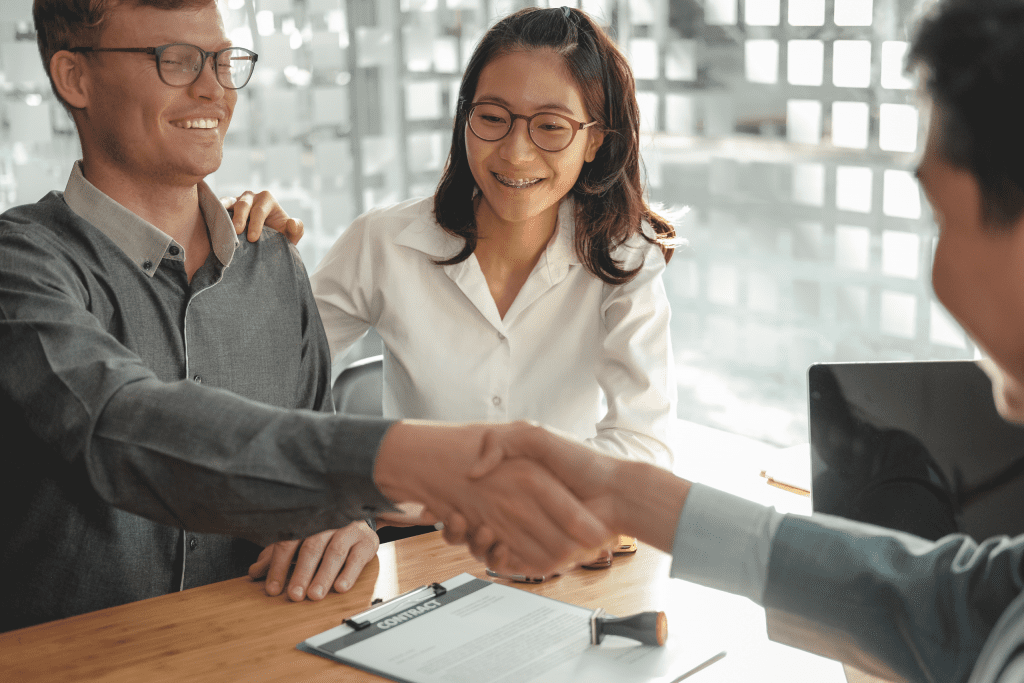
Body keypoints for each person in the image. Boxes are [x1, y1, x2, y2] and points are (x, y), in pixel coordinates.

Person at [445, 1, 1024, 681]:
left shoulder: (624, 260)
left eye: (940, 215)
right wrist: (623, 495)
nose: (937, 272)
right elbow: (952, 600)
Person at [0, 0, 612, 633]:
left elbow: (317, 487)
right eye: (174, 61)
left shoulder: (273, 268)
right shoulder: (19, 266)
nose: (214, 88)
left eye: (222, 59)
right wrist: (402, 464)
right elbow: (119, 425)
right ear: (76, 78)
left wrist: (347, 520)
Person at [306, 6, 678, 467]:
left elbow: (646, 446)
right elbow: (270, 382)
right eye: (493, 117)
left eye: (550, 126)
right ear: (465, 117)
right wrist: (250, 261)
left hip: (555, 525)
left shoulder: (623, 257)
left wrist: (508, 494)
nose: (516, 153)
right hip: (415, 531)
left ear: (595, 141)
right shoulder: (382, 241)